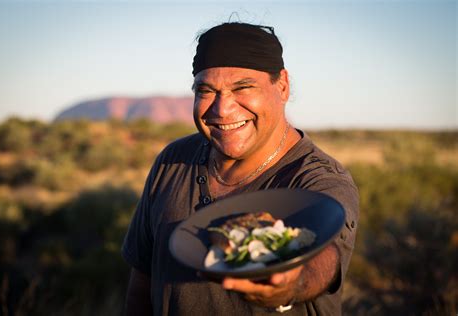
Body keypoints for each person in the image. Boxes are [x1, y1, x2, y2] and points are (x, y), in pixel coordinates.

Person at [122, 22, 359, 315]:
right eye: (206, 90)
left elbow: (325, 260)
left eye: (243, 87)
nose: (222, 109)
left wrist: (291, 283)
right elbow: (141, 285)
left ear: (282, 86)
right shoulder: (173, 161)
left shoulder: (318, 179)